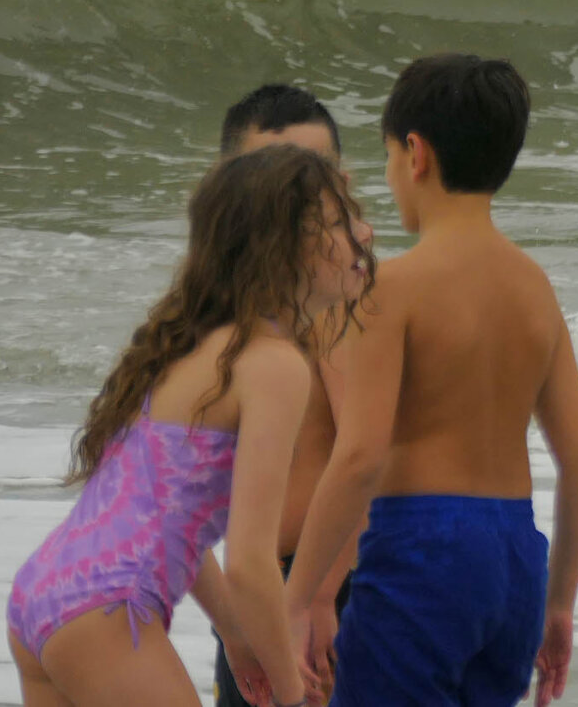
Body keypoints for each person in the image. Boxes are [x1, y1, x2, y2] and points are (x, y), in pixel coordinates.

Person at [6, 145, 374, 707]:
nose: (365, 235)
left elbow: (169, 513)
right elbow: (251, 565)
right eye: (340, 221)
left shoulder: (188, 344)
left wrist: (235, 635)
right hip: (107, 612)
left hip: (42, 596)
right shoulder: (273, 364)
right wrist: (292, 690)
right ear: (288, 246)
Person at [285, 54, 578, 707]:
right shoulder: (534, 289)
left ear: (415, 154)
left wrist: (305, 599)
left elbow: (360, 457)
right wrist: (560, 601)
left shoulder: (392, 289)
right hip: (517, 563)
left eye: (387, 160)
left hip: (422, 553)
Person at [212, 84, 368, 707]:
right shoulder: (228, 310)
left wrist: (318, 594)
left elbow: (371, 459)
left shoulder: (339, 304)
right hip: (258, 589)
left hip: (334, 586)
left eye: (316, 181)